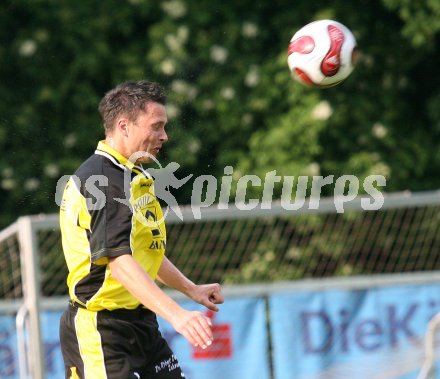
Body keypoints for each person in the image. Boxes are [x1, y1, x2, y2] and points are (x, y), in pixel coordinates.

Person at [59, 80, 224, 379]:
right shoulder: (103, 179)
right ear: (124, 126)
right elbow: (119, 262)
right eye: (156, 126)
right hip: (102, 331)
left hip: (142, 325)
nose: (164, 135)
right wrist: (177, 315)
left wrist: (191, 289)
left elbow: (146, 252)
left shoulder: (134, 174)